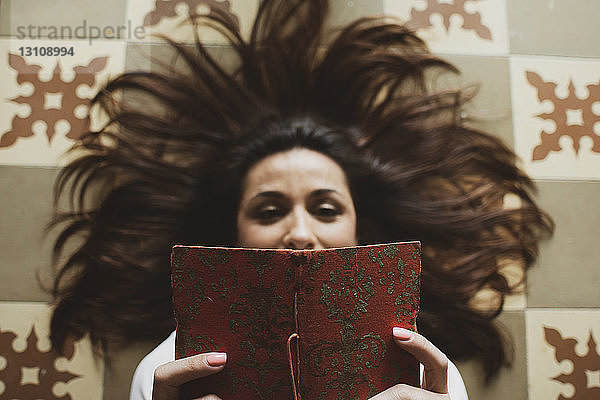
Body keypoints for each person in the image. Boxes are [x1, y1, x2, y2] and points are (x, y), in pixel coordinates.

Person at [48, 1, 553, 399]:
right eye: (268, 211)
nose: (300, 233)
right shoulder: (168, 375)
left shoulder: (426, 376)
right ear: (233, 237)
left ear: (360, 234)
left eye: (326, 208)